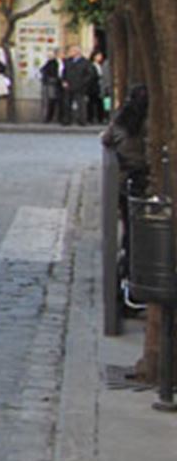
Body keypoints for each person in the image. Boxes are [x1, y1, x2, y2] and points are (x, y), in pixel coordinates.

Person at [103, 83, 151, 313]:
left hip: (124, 183)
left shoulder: (121, 121)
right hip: (144, 182)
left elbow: (106, 139)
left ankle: (126, 282)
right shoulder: (150, 123)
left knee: (130, 234)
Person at [62, 44, 93, 126]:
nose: (70, 52)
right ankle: (67, 120)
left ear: (77, 52)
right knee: (67, 103)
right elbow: (64, 72)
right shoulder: (67, 61)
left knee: (81, 104)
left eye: (72, 51)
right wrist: (64, 81)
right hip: (69, 85)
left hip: (80, 86)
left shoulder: (85, 62)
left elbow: (89, 74)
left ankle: (82, 120)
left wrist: (83, 83)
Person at [39, 50, 61, 124]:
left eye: (51, 55)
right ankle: (48, 117)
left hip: (51, 84)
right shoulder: (48, 63)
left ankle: (49, 117)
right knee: (49, 101)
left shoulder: (55, 63)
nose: (49, 56)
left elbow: (55, 73)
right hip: (48, 83)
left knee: (51, 101)